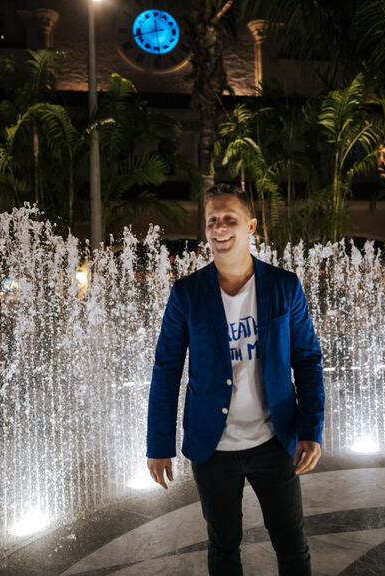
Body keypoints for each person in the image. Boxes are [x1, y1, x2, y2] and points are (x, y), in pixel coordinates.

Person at [146, 183, 325, 576]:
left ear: (251, 227)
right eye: (212, 221)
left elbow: (308, 360)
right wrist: (159, 444)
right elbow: (166, 370)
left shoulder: (283, 286)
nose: (220, 228)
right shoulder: (187, 294)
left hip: (274, 441)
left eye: (230, 219)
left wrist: (311, 429)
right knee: (223, 546)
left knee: (291, 543)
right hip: (214, 448)